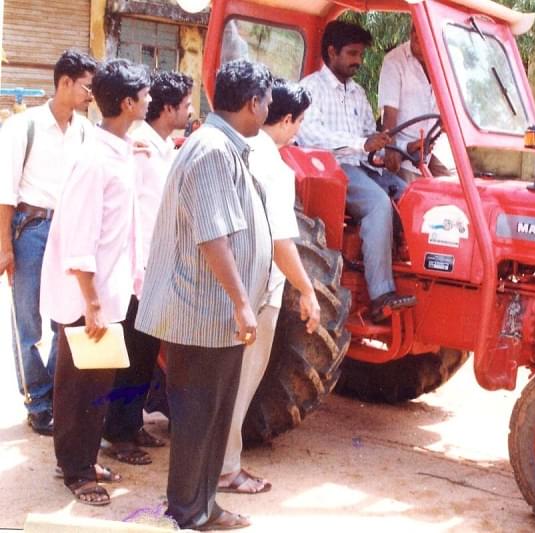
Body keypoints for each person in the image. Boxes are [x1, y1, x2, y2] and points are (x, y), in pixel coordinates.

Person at [135, 59, 273, 531]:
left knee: (212, 415)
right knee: (197, 415)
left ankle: (204, 505)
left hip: (216, 315)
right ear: (253, 103)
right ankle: (189, 512)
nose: (270, 109)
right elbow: (213, 238)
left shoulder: (222, 146)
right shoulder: (213, 149)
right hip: (201, 312)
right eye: (268, 101)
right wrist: (240, 301)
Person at [40, 58, 151, 506]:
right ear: (127, 102)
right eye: (144, 95)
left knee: (98, 383)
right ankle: (76, 471)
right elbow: (80, 239)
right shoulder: (94, 161)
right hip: (89, 297)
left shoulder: (115, 151)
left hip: (108, 292)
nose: (149, 101)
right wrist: (92, 302)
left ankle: (81, 457)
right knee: (79, 386)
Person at [218, 79, 321, 494]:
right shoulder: (276, 168)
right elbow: (282, 242)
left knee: (222, 380)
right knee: (241, 383)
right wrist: (308, 291)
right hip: (258, 291)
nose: (299, 131)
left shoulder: (233, 149)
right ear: (287, 119)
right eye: (299, 122)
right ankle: (226, 471)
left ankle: (213, 466)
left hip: (227, 284)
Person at [0, 50, 97, 436]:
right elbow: (5, 193)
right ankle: (37, 402)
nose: (91, 94)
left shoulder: (86, 131)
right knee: (28, 323)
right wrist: (5, 246)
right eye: (87, 87)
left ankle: (56, 397)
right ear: (65, 83)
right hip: (32, 228)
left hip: (69, 230)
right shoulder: (24, 128)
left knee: (66, 318)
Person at [100, 71, 194, 465]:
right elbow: (138, 219)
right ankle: (116, 434)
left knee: (143, 354)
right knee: (129, 355)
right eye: (187, 105)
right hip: (138, 271)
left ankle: (131, 423)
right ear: (168, 109)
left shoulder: (163, 150)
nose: (191, 112)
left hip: (156, 271)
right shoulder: (140, 152)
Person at [297, 20, 416, 322]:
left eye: (360, 54)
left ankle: (411, 273)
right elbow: (312, 136)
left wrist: (382, 149)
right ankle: (381, 294)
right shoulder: (310, 89)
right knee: (377, 203)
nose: (358, 61)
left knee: (412, 195)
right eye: (352, 53)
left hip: (362, 167)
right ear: (332, 51)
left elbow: (367, 134)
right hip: (331, 171)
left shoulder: (357, 93)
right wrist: (363, 144)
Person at [378, 25, 451, 182]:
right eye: (415, 34)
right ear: (411, 32)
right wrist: (392, 151)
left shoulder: (447, 60)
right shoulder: (395, 61)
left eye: (425, 37)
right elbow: (389, 114)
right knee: (416, 198)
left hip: (433, 148)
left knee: (454, 189)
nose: (418, 40)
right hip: (406, 151)